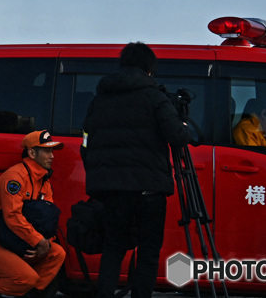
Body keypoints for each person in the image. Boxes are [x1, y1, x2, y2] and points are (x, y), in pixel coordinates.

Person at [81, 42, 191, 298]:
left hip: (112, 192)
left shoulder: (100, 99)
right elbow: (177, 136)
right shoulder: (155, 97)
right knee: (148, 251)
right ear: (149, 69)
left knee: (113, 247)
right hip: (148, 192)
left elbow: (86, 140)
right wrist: (183, 123)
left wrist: (101, 175)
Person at [0, 130, 66, 298]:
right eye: (47, 151)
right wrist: (38, 241)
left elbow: (48, 221)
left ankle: (30, 294)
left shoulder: (44, 181)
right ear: (31, 152)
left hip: (19, 240)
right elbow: (12, 216)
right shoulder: (15, 176)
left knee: (58, 253)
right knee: (26, 278)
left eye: (52, 151)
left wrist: (44, 243)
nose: (52, 156)